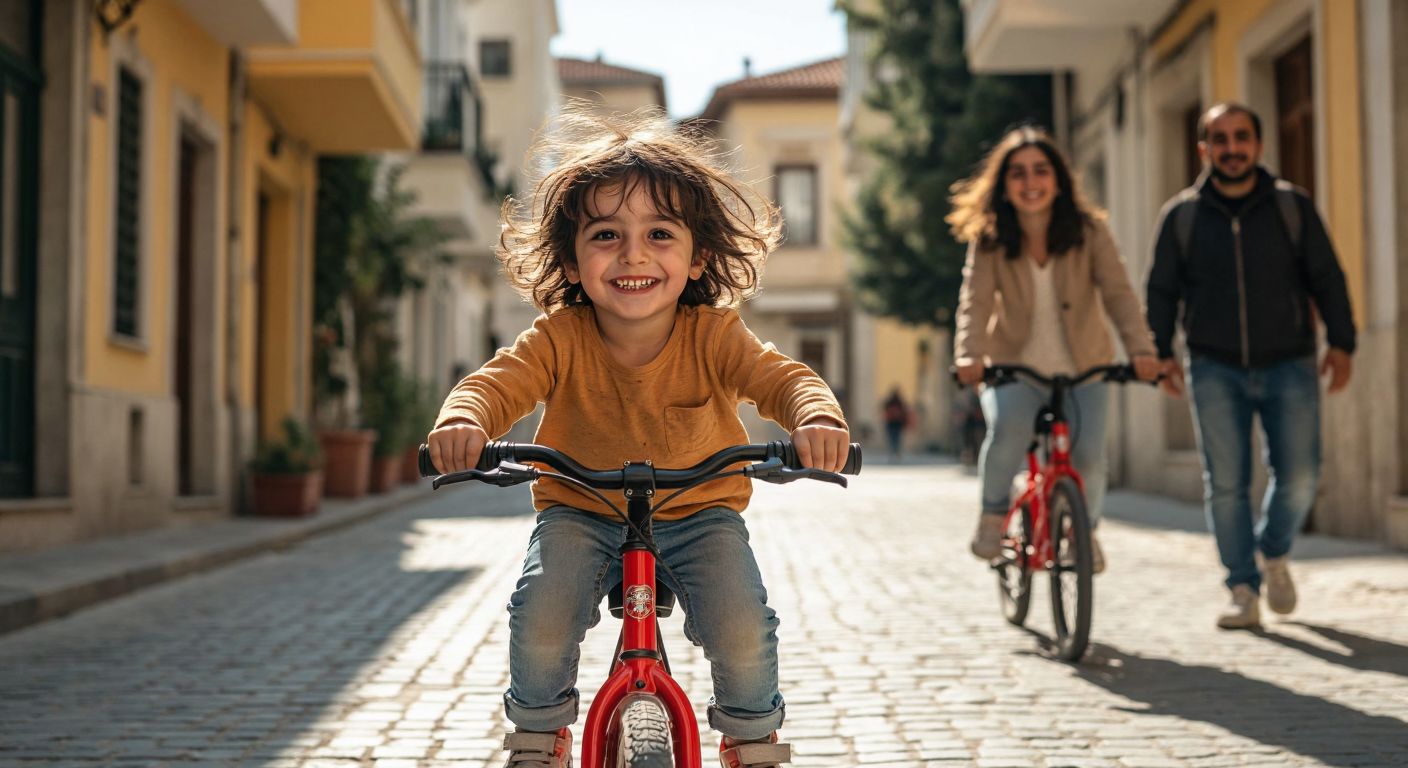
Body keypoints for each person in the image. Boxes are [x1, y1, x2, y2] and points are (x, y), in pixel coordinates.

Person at [426, 107, 850, 768]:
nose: (633, 254)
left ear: (697, 254)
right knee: (540, 611)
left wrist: (815, 419)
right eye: (605, 235)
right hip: (581, 509)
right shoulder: (559, 337)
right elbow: (494, 384)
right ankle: (538, 740)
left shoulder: (714, 333)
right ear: (571, 256)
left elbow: (782, 377)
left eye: (659, 233)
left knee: (742, 624)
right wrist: (465, 422)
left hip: (699, 511)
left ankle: (752, 741)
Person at [1146, 102, 1355, 630]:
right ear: (1204, 149)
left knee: (1303, 476)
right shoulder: (1183, 216)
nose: (1232, 148)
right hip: (1213, 365)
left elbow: (1326, 276)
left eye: (1241, 137)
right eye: (1220, 138)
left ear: (1259, 146)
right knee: (1227, 482)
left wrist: (1343, 343)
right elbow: (1161, 292)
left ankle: (1273, 550)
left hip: (1291, 361)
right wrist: (1161, 353)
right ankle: (1243, 586)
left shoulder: (1291, 207)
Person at [950, 126, 1160, 574]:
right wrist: (969, 356)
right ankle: (992, 516)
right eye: (1018, 174)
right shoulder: (989, 239)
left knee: (1088, 459)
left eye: (1041, 171)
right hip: (1013, 367)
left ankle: (1084, 533)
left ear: (1059, 179)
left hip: (1085, 365)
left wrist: (1141, 350)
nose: (1030, 182)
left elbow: (1120, 294)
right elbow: (976, 301)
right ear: (1004, 185)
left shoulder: (1090, 232)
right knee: (1007, 429)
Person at [881, 388, 910, 462]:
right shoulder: (896, 402)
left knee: (894, 440)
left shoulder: (896, 402)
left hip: (895, 424)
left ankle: (895, 453)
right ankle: (895, 453)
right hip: (893, 423)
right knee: (895, 440)